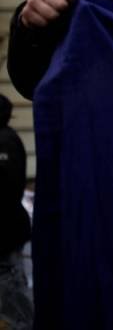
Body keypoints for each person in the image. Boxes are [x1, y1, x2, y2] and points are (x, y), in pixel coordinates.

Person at [0, 95, 32, 329]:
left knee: (12, 290)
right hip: (8, 229)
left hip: (5, 231)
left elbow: (6, 190)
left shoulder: (5, 142)